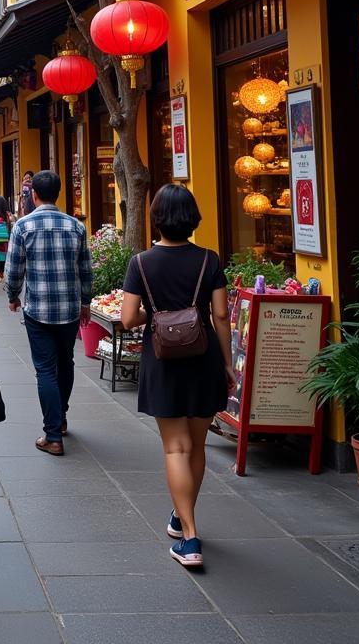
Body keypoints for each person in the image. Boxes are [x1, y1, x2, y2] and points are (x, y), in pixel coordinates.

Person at [121, 185, 234, 570]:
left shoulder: (141, 263)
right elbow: (220, 315)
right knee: (197, 447)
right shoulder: (209, 259)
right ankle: (181, 515)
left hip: (163, 361)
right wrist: (228, 364)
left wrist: (153, 317)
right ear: (193, 218)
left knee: (175, 449)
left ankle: (189, 535)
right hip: (204, 359)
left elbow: (127, 318)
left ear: (156, 219)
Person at [4, 170, 92, 457]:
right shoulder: (75, 226)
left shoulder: (23, 226)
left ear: (34, 194)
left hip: (38, 309)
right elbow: (85, 270)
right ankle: (61, 418)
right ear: (59, 193)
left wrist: (12, 295)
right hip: (68, 309)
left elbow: (14, 266)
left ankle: (53, 434)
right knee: (65, 363)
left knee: (45, 369)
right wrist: (86, 303)